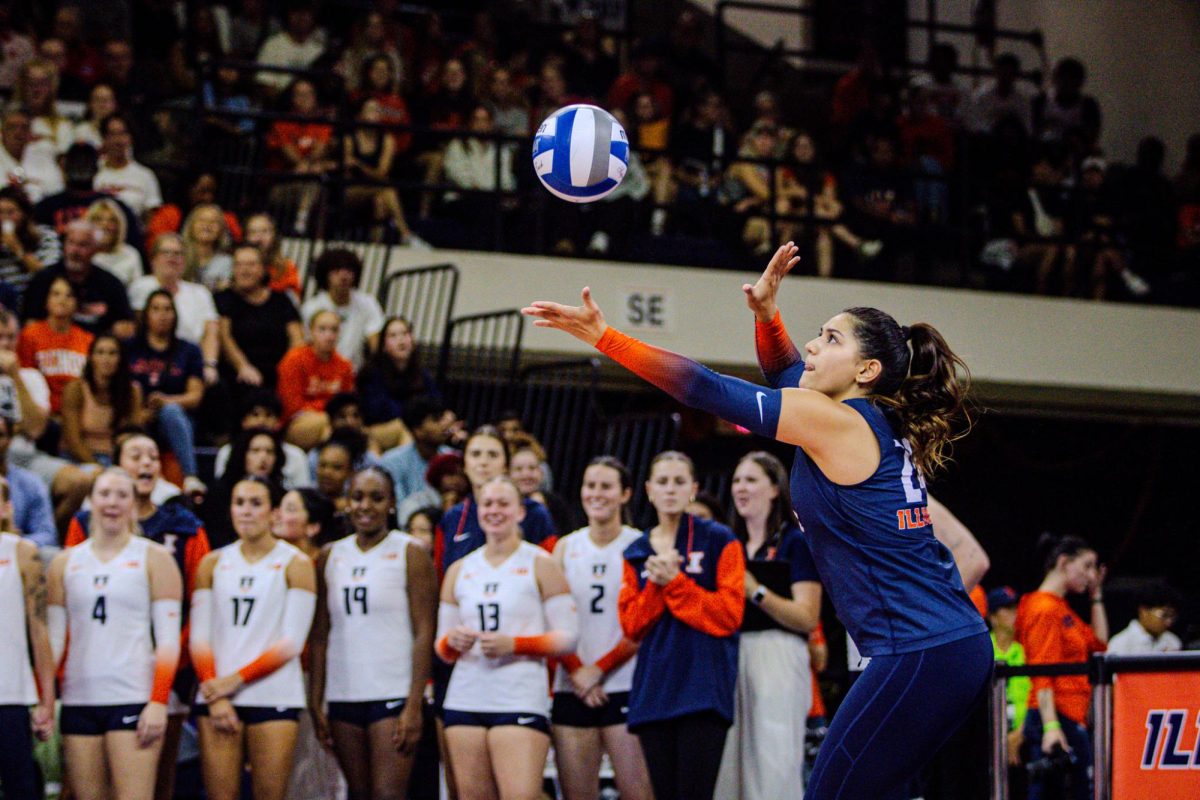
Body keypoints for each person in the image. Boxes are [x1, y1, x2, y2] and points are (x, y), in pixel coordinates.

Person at [522, 241, 992, 798]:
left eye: (831, 339)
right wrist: (769, 317)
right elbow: (789, 374)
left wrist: (605, 338)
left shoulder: (836, 421)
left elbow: (706, 388)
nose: (814, 346)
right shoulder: (865, 417)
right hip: (942, 646)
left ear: (867, 370)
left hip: (921, 647)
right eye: (819, 334)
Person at [64, 432, 211, 800]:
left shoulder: (184, 525)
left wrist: (169, 668)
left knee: (159, 783)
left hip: (163, 671)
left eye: (152, 456)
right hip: (90, 680)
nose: (146, 463)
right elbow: (70, 610)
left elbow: (198, 601)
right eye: (135, 456)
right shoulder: (83, 528)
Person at [602, 451, 742, 800]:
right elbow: (632, 625)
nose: (670, 489)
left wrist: (676, 582)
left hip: (704, 690)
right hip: (655, 691)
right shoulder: (636, 550)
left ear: (693, 488)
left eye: (679, 482)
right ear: (648, 489)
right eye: (662, 482)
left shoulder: (720, 539)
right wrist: (658, 585)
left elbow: (728, 616)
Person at [436, 476, 578, 800]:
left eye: (503, 504)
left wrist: (514, 644)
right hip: (465, 696)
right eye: (488, 504)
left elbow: (568, 637)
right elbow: (441, 647)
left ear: (520, 511)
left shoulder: (540, 563)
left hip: (518, 696)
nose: (494, 511)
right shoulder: (460, 569)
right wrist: (452, 642)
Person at [47, 467, 183, 800]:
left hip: (133, 696)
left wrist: (158, 701)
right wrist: (45, 700)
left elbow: (168, 640)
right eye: (104, 494)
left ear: (134, 504)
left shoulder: (155, 558)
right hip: (79, 698)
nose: (112, 503)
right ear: (90, 501)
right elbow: (52, 641)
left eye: (122, 495)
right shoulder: (64, 563)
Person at [309, 467, 438, 800]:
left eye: (377, 498)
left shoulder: (411, 552)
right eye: (358, 497)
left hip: (392, 692)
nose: (366, 506)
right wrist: (316, 698)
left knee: (388, 794)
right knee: (358, 792)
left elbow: (425, 631)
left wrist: (414, 704)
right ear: (347, 503)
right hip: (343, 693)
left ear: (392, 504)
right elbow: (321, 632)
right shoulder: (330, 555)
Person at [189, 476, 317, 800]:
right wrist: (216, 695)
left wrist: (233, 681)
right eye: (239, 503)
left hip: (272, 693)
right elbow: (199, 638)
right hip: (216, 696)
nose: (246, 511)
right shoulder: (213, 563)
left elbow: (291, 642)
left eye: (256, 504)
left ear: (274, 513)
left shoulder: (295, 564)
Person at [716, 451, 822, 800]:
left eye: (750, 480)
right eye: (736, 481)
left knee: (773, 760)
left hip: (778, 653)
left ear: (775, 489)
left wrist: (755, 591)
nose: (740, 488)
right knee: (729, 766)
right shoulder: (729, 543)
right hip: (732, 653)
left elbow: (807, 616)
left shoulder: (795, 541)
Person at [551, 457, 653, 800]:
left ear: (625, 494)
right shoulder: (565, 548)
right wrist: (579, 672)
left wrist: (599, 670)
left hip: (625, 684)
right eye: (590, 486)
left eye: (606, 486)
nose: (597, 494)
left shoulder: (640, 545)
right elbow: (553, 620)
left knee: (639, 793)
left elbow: (645, 622)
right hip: (572, 685)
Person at [1015, 533, 1107, 800]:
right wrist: (1051, 728)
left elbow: (1099, 644)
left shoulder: (1061, 608)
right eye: (1087, 566)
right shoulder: (1043, 608)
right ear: (1064, 562)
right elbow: (1041, 672)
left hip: (1070, 717)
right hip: (1055, 717)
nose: (1091, 575)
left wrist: (1096, 596)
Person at [434, 425, 557, 577]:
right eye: (475, 454)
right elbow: (442, 579)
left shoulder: (535, 513)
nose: (483, 462)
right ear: (464, 464)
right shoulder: (452, 517)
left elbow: (552, 573)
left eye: (493, 455)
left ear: (506, 465)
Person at [0, 475, 56, 798]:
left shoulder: (22, 552)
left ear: (7, 508)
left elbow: (39, 629)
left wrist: (46, 700)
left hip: (11, 693)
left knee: (21, 788)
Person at [124, 290, 207, 495]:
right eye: (156, 309)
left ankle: (191, 477)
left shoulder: (189, 350)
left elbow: (195, 396)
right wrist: (139, 413)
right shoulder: (129, 348)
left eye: (168, 309)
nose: (162, 315)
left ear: (175, 315)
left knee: (170, 412)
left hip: (178, 420)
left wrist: (166, 401)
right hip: (136, 415)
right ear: (145, 315)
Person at [128, 233, 221, 382]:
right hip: (149, 359)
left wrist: (209, 364)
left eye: (177, 253)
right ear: (153, 259)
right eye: (165, 253)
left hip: (190, 361)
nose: (172, 258)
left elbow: (211, 332)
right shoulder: (140, 287)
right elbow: (136, 328)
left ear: (184, 260)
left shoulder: (200, 292)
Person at [21, 218, 134, 337]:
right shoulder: (43, 279)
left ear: (95, 249)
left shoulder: (111, 284)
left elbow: (125, 326)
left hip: (95, 349)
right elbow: (30, 323)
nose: (75, 251)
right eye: (71, 243)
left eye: (83, 245)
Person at [215, 244, 304, 397]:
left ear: (264, 269)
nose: (244, 270)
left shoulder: (282, 300)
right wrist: (243, 367)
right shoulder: (223, 298)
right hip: (238, 374)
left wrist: (287, 372)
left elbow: (297, 340)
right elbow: (225, 337)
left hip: (278, 372)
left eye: (251, 264)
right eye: (239, 264)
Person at [342, 98, 420, 244]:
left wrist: (358, 164)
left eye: (378, 110)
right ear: (359, 115)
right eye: (371, 110)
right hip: (351, 190)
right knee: (386, 189)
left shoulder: (387, 140)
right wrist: (366, 172)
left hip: (375, 186)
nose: (375, 114)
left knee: (381, 200)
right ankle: (405, 233)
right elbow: (347, 171)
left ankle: (375, 243)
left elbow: (382, 173)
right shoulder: (349, 139)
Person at [357, 316, 440, 451]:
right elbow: (378, 411)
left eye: (405, 334)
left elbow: (435, 403)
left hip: (413, 427)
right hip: (377, 430)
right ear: (384, 346)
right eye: (393, 336)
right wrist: (414, 414)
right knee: (404, 429)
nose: (401, 340)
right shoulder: (371, 372)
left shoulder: (422, 373)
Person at [276, 310, 356, 450]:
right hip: (294, 425)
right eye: (322, 329)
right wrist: (329, 411)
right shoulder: (294, 359)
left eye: (334, 330)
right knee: (329, 423)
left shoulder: (345, 366)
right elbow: (291, 407)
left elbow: (348, 405)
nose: (329, 335)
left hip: (332, 421)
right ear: (311, 332)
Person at [60, 334, 142, 466]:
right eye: (100, 352)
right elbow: (73, 441)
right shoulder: (75, 389)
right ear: (91, 358)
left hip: (117, 459)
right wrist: (100, 469)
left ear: (121, 359)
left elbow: (136, 436)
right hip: (79, 458)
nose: (106, 359)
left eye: (112, 353)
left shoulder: (133, 391)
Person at [17, 275, 93, 414]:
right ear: (46, 300)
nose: (62, 300)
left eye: (69, 295)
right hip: (41, 412)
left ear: (77, 303)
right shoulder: (29, 335)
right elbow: (25, 379)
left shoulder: (88, 339)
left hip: (78, 413)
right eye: (56, 294)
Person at [301, 248, 385, 372]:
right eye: (336, 271)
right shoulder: (311, 307)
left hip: (355, 374)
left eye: (349, 271)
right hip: (319, 373)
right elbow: (305, 345)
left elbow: (376, 342)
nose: (343, 276)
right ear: (326, 274)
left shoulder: (367, 302)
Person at [203, 428, 286, 549]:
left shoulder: (283, 495)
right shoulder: (218, 493)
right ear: (242, 454)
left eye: (269, 451)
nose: (263, 457)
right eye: (255, 451)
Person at [213, 391, 310, 490]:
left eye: (268, 415)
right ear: (244, 421)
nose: (261, 421)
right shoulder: (227, 452)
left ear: (278, 422)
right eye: (255, 415)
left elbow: (302, 496)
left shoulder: (296, 455)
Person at [987, 586, 1032, 774]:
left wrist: (1019, 733)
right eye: (1007, 609)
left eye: (1016, 608)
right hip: (987, 737)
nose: (1014, 613)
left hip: (1023, 736)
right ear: (993, 617)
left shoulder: (1025, 650)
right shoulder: (983, 650)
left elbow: (1033, 695)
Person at [378, 395, 452, 502]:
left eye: (442, 418)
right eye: (436, 420)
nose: (444, 425)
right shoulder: (392, 462)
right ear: (418, 430)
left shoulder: (453, 457)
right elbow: (398, 506)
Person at [93, 112, 163, 219]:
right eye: (112, 134)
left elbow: (152, 216)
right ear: (104, 139)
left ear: (131, 138)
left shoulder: (145, 175)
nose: (118, 140)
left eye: (123, 134)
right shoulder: (93, 172)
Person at [0, 184, 61, 300]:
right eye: (0, 212)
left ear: (24, 213)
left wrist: (18, 249)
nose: (4, 218)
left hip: (37, 301)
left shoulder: (46, 236)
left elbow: (49, 277)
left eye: (10, 212)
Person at [1107, 581, 1182, 655]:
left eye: (1172, 616)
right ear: (1144, 611)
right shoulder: (1121, 643)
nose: (1168, 622)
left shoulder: (1172, 641)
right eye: (1164, 615)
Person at [85, 197, 143, 287]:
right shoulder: (82, 253)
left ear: (119, 226)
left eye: (112, 220)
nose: (105, 225)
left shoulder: (131, 255)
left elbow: (137, 290)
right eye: (98, 219)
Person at [243, 212, 301, 299]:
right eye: (253, 232)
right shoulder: (236, 265)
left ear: (273, 235)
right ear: (246, 237)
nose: (259, 237)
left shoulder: (286, 267)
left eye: (264, 231)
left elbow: (293, 302)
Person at [181, 203, 235, 291]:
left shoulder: (228, 263)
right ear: (191, 226)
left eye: (213, 222)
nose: (207, 225)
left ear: (221, 229)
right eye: (202, 220)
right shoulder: (179, 257)